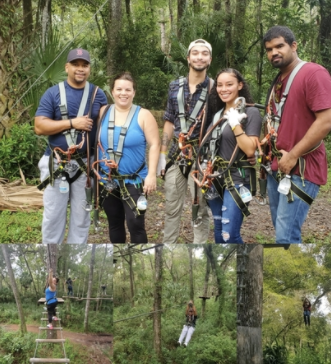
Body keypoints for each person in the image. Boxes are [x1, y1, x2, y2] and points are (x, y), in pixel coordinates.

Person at [263, 26, 331, 244]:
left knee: (286, 236)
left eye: (279, 46)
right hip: (277, 167)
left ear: (293, 46)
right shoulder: (278, 81)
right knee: (281, 232)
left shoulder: (313, 73)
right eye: (269, 49)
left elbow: (325, 122)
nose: (274, 52)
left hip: (301, 169)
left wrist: (293, 155)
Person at [35, 48, 108, 244]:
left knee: (81, 218)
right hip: (57, 163)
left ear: (89, 69)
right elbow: (40, 126)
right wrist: (72, 123)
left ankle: (76, 254)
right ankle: (51, 257)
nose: (80, 69)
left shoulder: (98, 94)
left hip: (85, 165)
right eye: (76, 64)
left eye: (85, 65)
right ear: (67, 67)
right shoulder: (53, 93)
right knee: (53, 217)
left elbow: (106, 129)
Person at [157, 39, 213, 244]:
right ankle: (168, 245)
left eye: (204, 53)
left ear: (210, 59)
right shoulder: (175, 86)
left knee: (200, 209)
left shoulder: (216, 88)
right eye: (195, 53)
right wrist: (162, 156)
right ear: (188, 58)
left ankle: (199, 247)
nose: (199, 57)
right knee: (172, 206)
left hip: (203, 156)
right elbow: (169, 121)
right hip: (176, 154)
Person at [94, 72, 160, 244]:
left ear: (134, 92)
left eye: (128, 90)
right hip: (108, 180)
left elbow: (154, 144)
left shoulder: (143, 115)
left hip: (134, 180)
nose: (123, 93)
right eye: (119, 89)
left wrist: (151, 175)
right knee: (114, 223)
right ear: (112, 92)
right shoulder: (104, 111)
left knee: (135, 224)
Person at [200, 68, 262, 243]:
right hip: (214, 178)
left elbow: (250, 149)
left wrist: (235, 123)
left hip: (237, 179)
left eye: (229, 84)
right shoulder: (217, 114)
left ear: (240, 85)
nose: (223, 89)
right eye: (219, 85)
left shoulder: (251, 113)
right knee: (219, 232)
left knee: (229, 235)